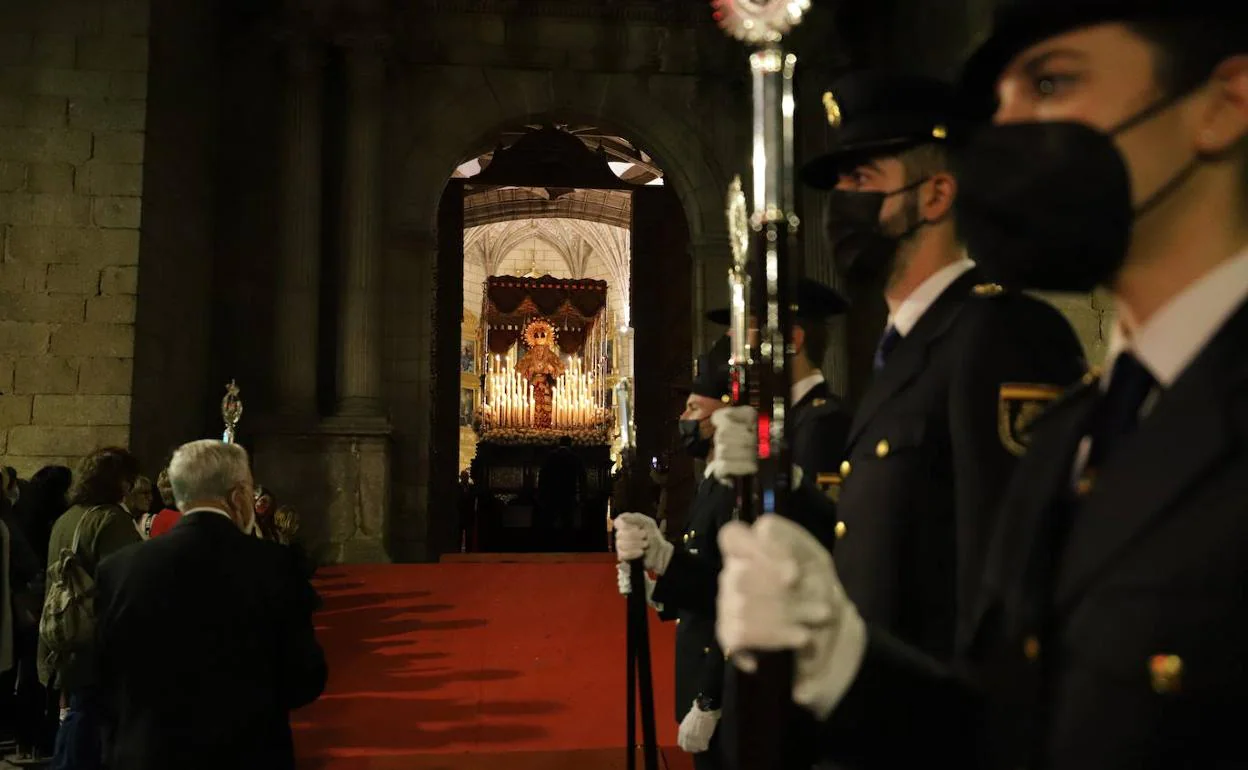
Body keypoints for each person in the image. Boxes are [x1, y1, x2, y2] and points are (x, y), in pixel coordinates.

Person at [714, 4, 1248, 769]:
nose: (1006, 135)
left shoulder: (1012, 346)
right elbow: (1013, 722)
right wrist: (845, 663)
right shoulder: (1081, 428)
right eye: (1000, 107)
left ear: (1223, 104)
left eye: (1052, 82)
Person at [798, 71, 1085, 659]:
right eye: (840, 184)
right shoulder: (908, 347)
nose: (841, 205)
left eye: (862, 179)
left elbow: (1006, 586)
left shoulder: (1000, 333)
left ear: (935, 195)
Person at [615, 337, 841, 769]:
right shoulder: (712, 485)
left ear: (726, 418)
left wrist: (710, 698)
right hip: (707, 671)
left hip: (731, 683)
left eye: (694, 410)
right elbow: (704, 579)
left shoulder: (735, 491)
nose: (684, 419)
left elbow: (738, 593)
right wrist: (654, 575)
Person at [94, 439, 327, 770]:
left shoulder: (120, 568)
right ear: (238, 496)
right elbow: (304, 677)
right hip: (247, 752)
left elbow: (102, 681)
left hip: (149, 753)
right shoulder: (275, 564)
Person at [40, 447, 143, 770]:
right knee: (90, 719)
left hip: (65, 632)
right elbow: (127, 583)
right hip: (96, 636)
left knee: (78, 711)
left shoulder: (66, 518)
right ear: (119, 482)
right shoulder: (111, 520)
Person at [706, 277, 852, 485]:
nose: (734, 351)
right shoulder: (785, 417)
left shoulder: (822, 422)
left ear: (793, 341)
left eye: (744, 330)